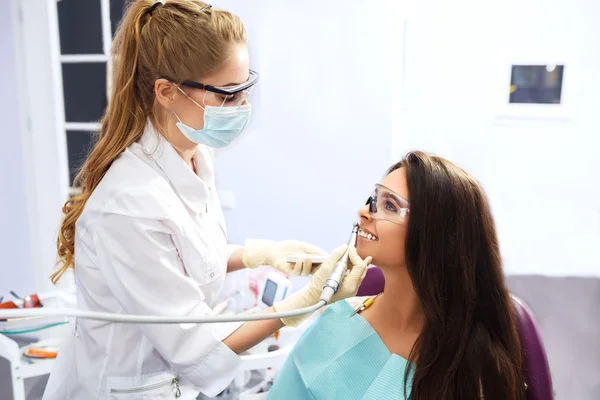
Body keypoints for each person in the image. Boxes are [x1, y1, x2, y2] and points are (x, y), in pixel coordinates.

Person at [42, 1, 372, 399]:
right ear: (166, 92)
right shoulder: (128, 207)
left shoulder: (193, 153)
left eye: (245, 88)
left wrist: (256, 254)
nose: (242, 108)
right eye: (227, 95)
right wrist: (302, 303)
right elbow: (196, 351)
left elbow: (189, 254)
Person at [268, 151, 526, 400]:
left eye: (389, 205)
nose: (363, 210)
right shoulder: (337, 318)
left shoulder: (470, 371)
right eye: (374, 198)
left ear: (434, 235)